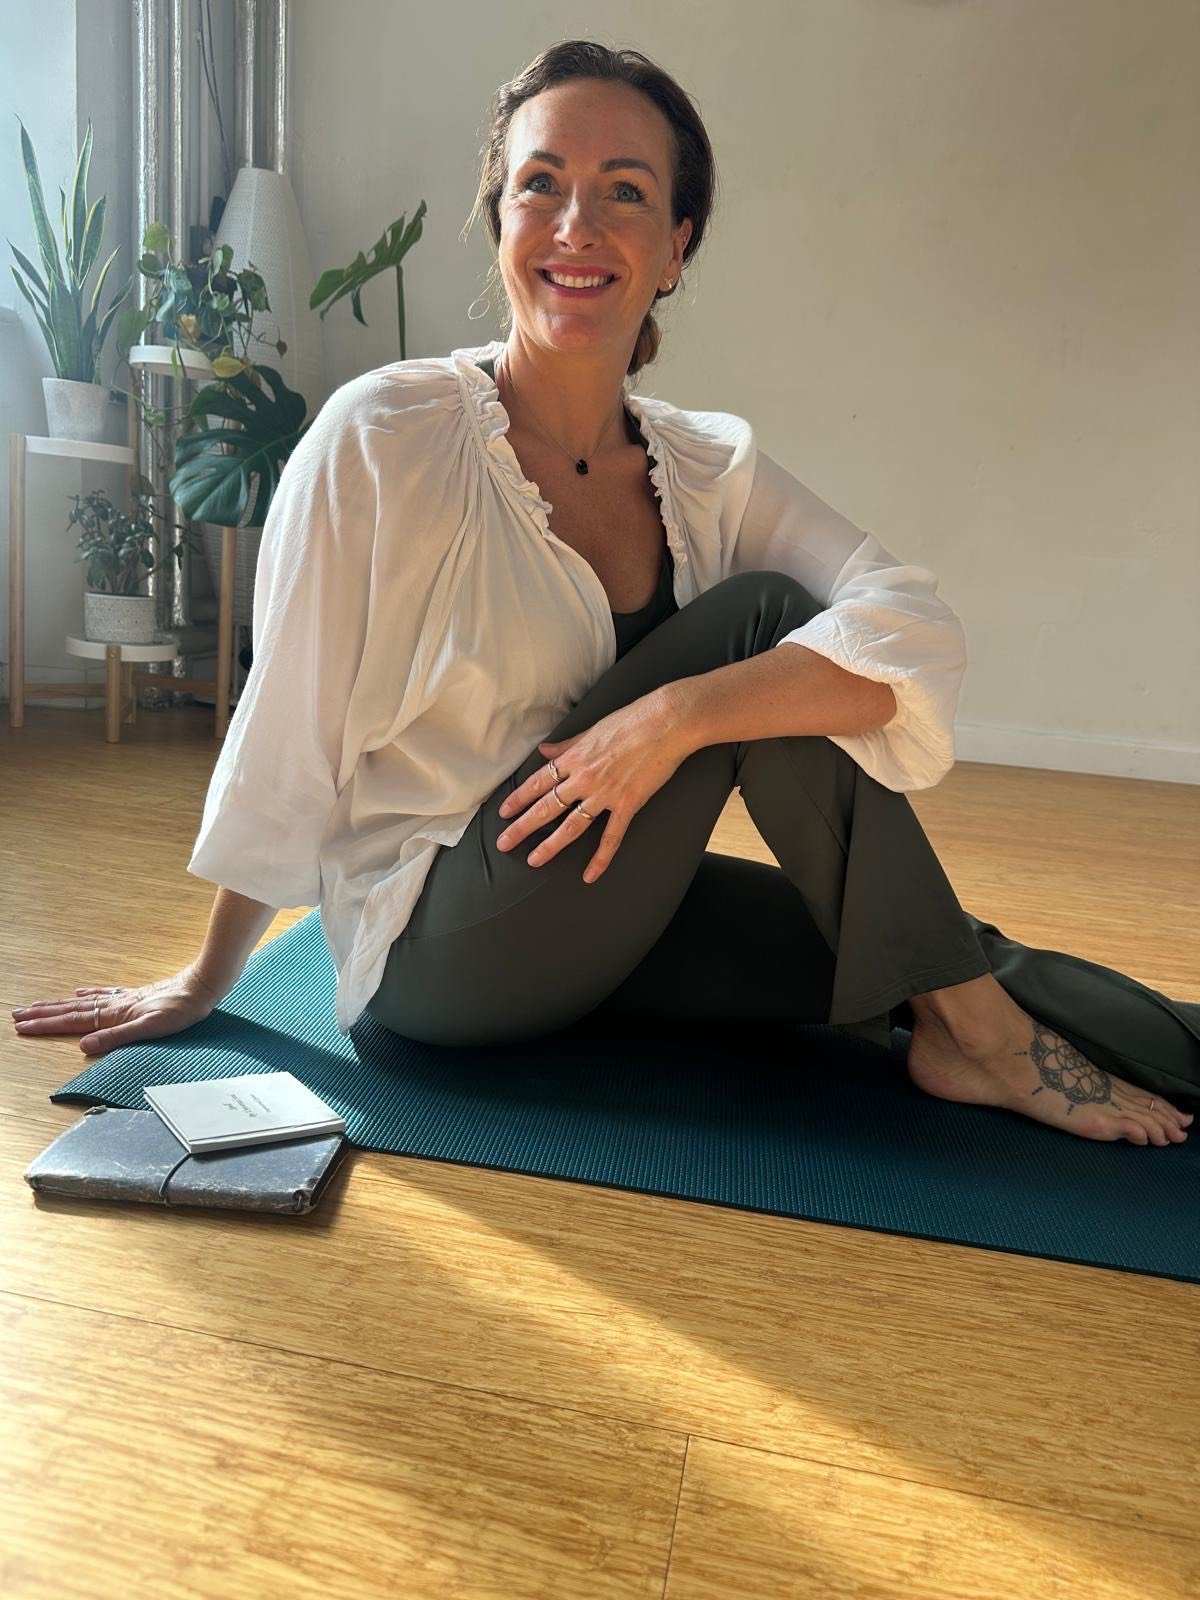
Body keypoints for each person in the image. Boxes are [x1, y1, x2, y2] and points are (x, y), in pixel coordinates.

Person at [12, 41, 1198, 1149]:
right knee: (768, 623)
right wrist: (206, 977)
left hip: (601, 903)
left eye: (624, 190)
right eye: (542, 184)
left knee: (921, 949)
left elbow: (907, 623)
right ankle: (986, 1048)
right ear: (501, 223)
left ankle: (1025, 1033)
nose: (577, 222)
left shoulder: (702, 464)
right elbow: (291, 717)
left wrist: (671, 720)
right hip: (444, 945)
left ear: (676, 246)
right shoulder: (385, 432)